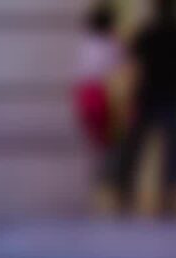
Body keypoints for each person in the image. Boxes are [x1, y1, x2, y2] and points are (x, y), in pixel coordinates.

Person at [113, 0, 176, 215]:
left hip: (149, 95)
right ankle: (168, 195)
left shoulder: (149, 34)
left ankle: (124, 191)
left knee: (135, 145)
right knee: (173, 149)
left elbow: (133, 59)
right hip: (171, 95)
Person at [76, 5, 122, 183]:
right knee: (104, 140)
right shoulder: (112, 44)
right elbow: (118, 68)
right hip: (101, 92)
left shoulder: (86, 43)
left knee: (94, 139)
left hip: (83, 92)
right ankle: (102, 176)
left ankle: (96, 174)